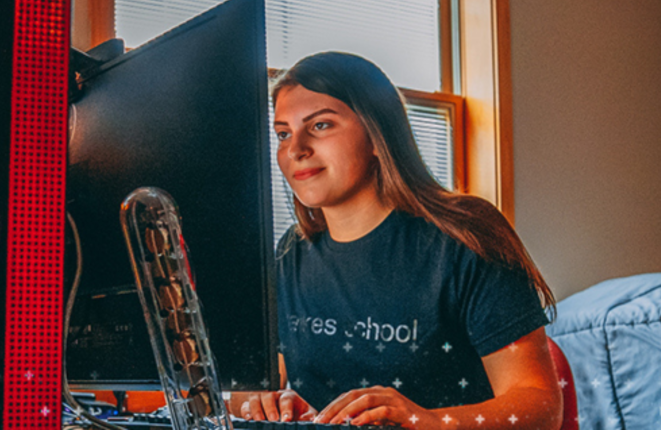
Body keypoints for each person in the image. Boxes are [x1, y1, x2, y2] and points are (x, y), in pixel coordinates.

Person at [233, 52, 563, 429]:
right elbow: (255, 389)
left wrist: (425, 421)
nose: (296, 149)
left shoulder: (465, 237)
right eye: (283, 134)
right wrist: (266, 404)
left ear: (378, 135)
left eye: (321, 125)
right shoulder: (291, 252)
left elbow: (542, 407)